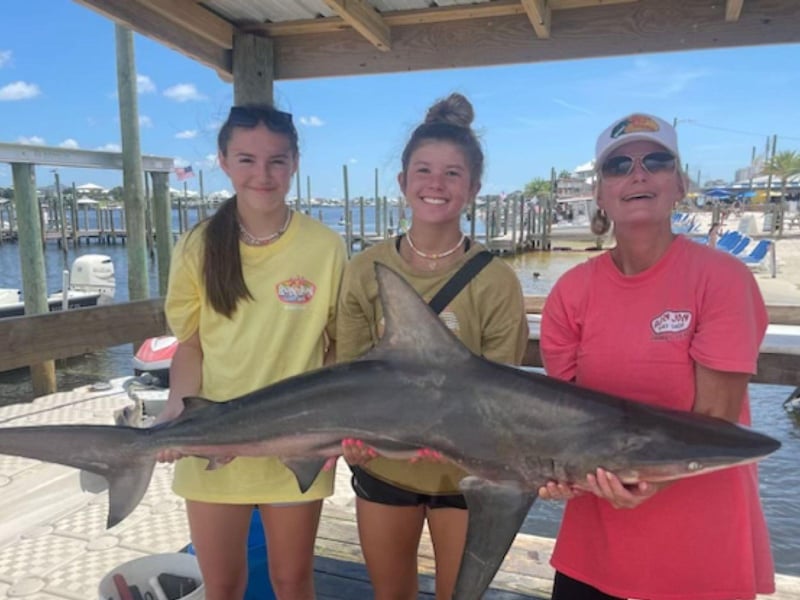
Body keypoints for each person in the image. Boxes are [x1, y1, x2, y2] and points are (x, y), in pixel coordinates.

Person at [539, 113, 775, 600]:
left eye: (657, 161)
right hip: (593, 548)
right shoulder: (569, 293)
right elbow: (563, 426)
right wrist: (552, 473)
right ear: (600, 194)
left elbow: (714, 424)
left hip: (701, 550)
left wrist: (648, 482)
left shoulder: (723, 280)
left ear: (680, 184)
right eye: (618, 165)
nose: (638, 173)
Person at [336, 93, 529, 600]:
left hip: (467, 476)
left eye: (452, 174)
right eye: (423, 171)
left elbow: (501, 393)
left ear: (473, 188)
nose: (436, 185)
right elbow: (348, 374)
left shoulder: (496, 281)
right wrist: (351, 441)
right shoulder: (364, 270)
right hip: (383, 464)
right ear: (402, 182)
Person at [155, 104, 346, 600]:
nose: (263, 174)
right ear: (222, 161)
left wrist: (333, 432)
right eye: (246, 159)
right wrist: (178, 410)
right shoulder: (197, 245)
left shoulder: (327, 247)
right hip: (212, 433)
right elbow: (190, 345)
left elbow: (336, 349)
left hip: (299, 441)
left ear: (295, 163)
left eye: (277, 161)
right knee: (221, 585)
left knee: (292, 581)